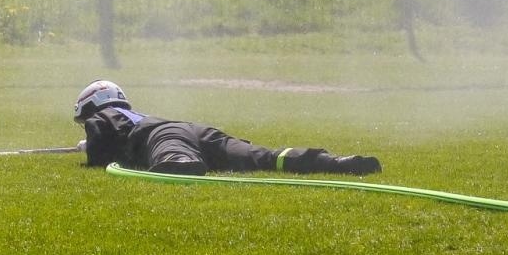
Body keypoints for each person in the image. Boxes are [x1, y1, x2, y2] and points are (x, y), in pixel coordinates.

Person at [72, 79, 381, 177]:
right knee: (263, 157)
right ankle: (334, 162)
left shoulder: (107, 113)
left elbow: (100, 145)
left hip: (164, 137)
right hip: (199, 132)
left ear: (93, 106)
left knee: (177, 162)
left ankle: (183, 164)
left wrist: (89, 150)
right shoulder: (133, 113)